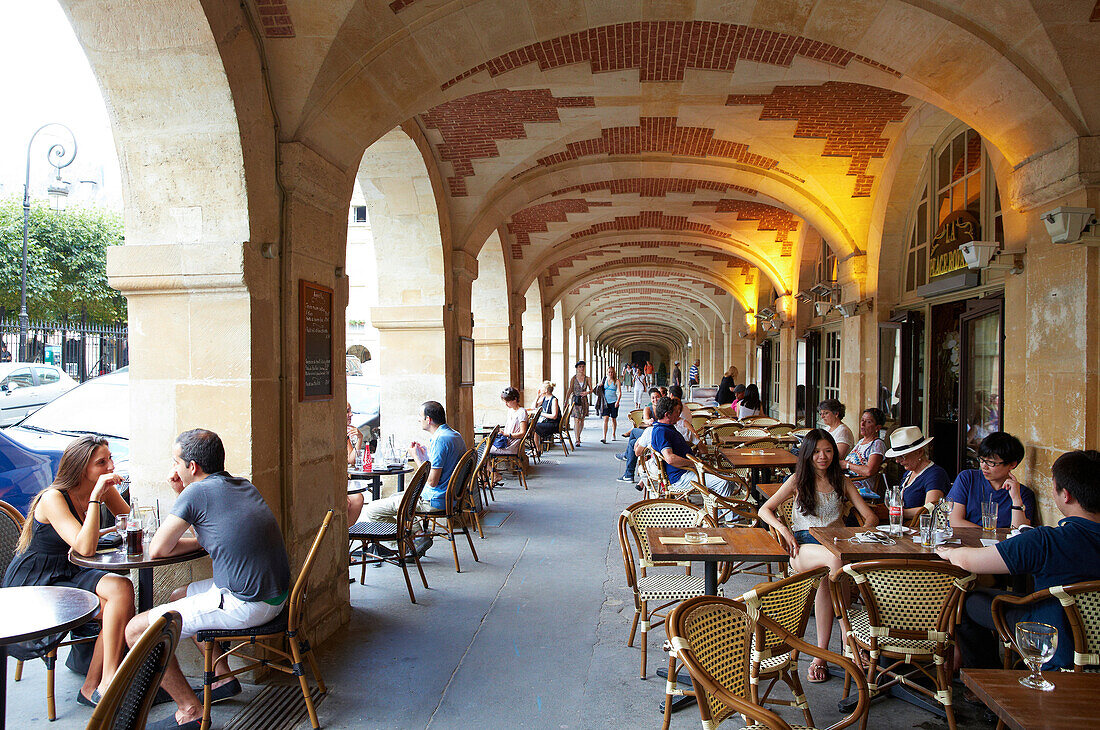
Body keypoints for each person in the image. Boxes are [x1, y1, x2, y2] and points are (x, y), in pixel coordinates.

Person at [125, 429, 290, 730]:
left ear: (193, 467)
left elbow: (158, 548)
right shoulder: (241, 484)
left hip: (247, 603)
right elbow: (205, 538)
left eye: (176, 462)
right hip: (276, 597)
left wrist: (182, 494)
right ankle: (223, 678)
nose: (172, 469)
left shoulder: (197, 492)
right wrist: (182, 495)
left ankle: (190, 710)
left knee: (137, 630)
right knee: (178, 596)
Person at [3, 435, 135, 707]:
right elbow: (85, 547)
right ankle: (98, 685)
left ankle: (103, 683)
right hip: (38, 580)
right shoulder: (54, 497)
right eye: (101, 462)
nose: (110, 466)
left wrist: (108, 500)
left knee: (122, 589)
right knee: (118, 602)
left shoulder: (103, 487)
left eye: (110, 459)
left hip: (71, 570)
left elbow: (130, 523)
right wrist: (97, 497)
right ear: (80, 467)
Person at [939, 450, 1100, 670]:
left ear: (1066, 495)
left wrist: (946, 552)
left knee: (966, 600)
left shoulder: (1046, 541)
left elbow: (969, 561)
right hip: (1091, 640)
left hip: (1053, 637)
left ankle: (987, 679)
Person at [758, 429, 878, 683]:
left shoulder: (843, 482)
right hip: (802, 549)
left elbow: (871, 517)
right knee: (835, 563)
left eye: (828, 451)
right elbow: (764, 510)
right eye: (816, 452)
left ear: (835, 453)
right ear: (807, 455)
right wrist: (784, 529)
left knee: (829, 574)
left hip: (836, 549)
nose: (822, 457)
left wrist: (856, 537)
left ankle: (820, 656)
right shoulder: (797, 480)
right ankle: (849, 637)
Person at [361, 400, 466, 535]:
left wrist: (416, 457)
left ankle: (410, 543)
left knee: (373, 510)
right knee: (396, 496)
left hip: (435, 500)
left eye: (419, 416)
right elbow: (443, 466)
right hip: (449, 498)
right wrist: (424, 457)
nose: (418, 419)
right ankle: (417, 533)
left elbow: (432, 482)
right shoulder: (454, 435)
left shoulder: (440, 440)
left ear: (428, 419)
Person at [948, 431, 1036, 529]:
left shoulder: (1023, 494)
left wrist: (1016, 500)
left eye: (991, 462)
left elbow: (1019, 533)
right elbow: (955, 521)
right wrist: (989, 534)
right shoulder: (968, 478)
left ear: (1012, 464)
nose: (984, 466)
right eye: (981, 460)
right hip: (965, 542)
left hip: (1000, 544)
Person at [650, 397, 735, 498]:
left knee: (730, 480)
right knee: (723, 482)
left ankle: (718, 510)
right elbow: (670, 458)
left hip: (688, 471)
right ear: (667, 414)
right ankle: (723, 513)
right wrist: (694, 463)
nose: (678, 415)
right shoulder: (661, 431)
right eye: (675, 412)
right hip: (681, 477)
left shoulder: (667, 428)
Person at [884, 426, 949, 519]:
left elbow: (930, 509)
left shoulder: (935, 474)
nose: (897, 461)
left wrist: (897, 512)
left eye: (902, 456)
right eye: (896, 457)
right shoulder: (908, 474)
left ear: (919, 452)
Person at [616, 388, 661, 483]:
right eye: (653, 398)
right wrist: (649, 421)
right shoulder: (648, 408)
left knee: (633, 434)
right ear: (650, 399)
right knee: (633, 441)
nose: (655, 399)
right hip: (652, 432)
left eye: (657, 397)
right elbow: (645, 418)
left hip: (653, 434)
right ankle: (628, 473)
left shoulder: (663, 408)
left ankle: (627, 460)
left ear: (660, 397)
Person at [840, 407, 886, 498]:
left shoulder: (877, 444)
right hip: (848, 481)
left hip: (860, 486)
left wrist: (847, 465)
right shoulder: (861, 442)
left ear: (877, 427)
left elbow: (869, 471)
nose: (862, 424)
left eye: (868, 422)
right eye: (862, 420)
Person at [490, 386, 527, 455]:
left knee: (485, 450)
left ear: (515, 399)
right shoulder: (511, 410)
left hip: (512, 446)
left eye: (508, 402)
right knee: (486, 446)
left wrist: (507, 434)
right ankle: (490, 466)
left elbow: (522, 433)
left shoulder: (522, 412)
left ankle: (489, 466)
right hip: (506, 442)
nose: (506, 404)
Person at [345, 403, 365, 525]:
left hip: (345, 480)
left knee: (357, 498)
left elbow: (351, 459)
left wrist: (359, 439)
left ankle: (346, 535)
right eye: (347, 411)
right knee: (348, 501)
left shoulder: (344, 433)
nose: (351, 414)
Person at [531, 381, 561, 454]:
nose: (540, 389)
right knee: (531, 426)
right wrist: (537, 396)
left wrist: (541, 414)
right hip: (546, 422)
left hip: (553, 424)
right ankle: (537, 449)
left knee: (534, 427)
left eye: (541, 388)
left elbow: (554, 416)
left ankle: (537, 450)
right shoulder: (545, 398)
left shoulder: (554, 400)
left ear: (546, 390)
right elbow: (533, 407)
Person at [569, 361, 592, 447]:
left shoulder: (587, 378)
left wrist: (587, 392)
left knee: (582, 420)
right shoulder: (573, 378)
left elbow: (591, 389)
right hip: (575, 400)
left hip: (584, 401)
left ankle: (579, 435)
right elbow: (570, 389)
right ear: (577, 368)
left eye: (583, 367)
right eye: (580, 367)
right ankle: (577, 439)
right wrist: (566, 400)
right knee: (576, 419)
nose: (582, 368)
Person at [599, 366, 622, 443]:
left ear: (614, 373)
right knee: (605, 419)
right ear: (607, 372)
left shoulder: (617, 381)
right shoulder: (604, 380)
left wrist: (617, 401)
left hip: (614, 402)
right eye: (609, 372)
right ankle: (604, 437)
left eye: (612, 372)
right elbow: (600, 387)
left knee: (613, 419)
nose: (610, 373)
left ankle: (613, 434)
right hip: (605, 403)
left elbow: (619, 392)